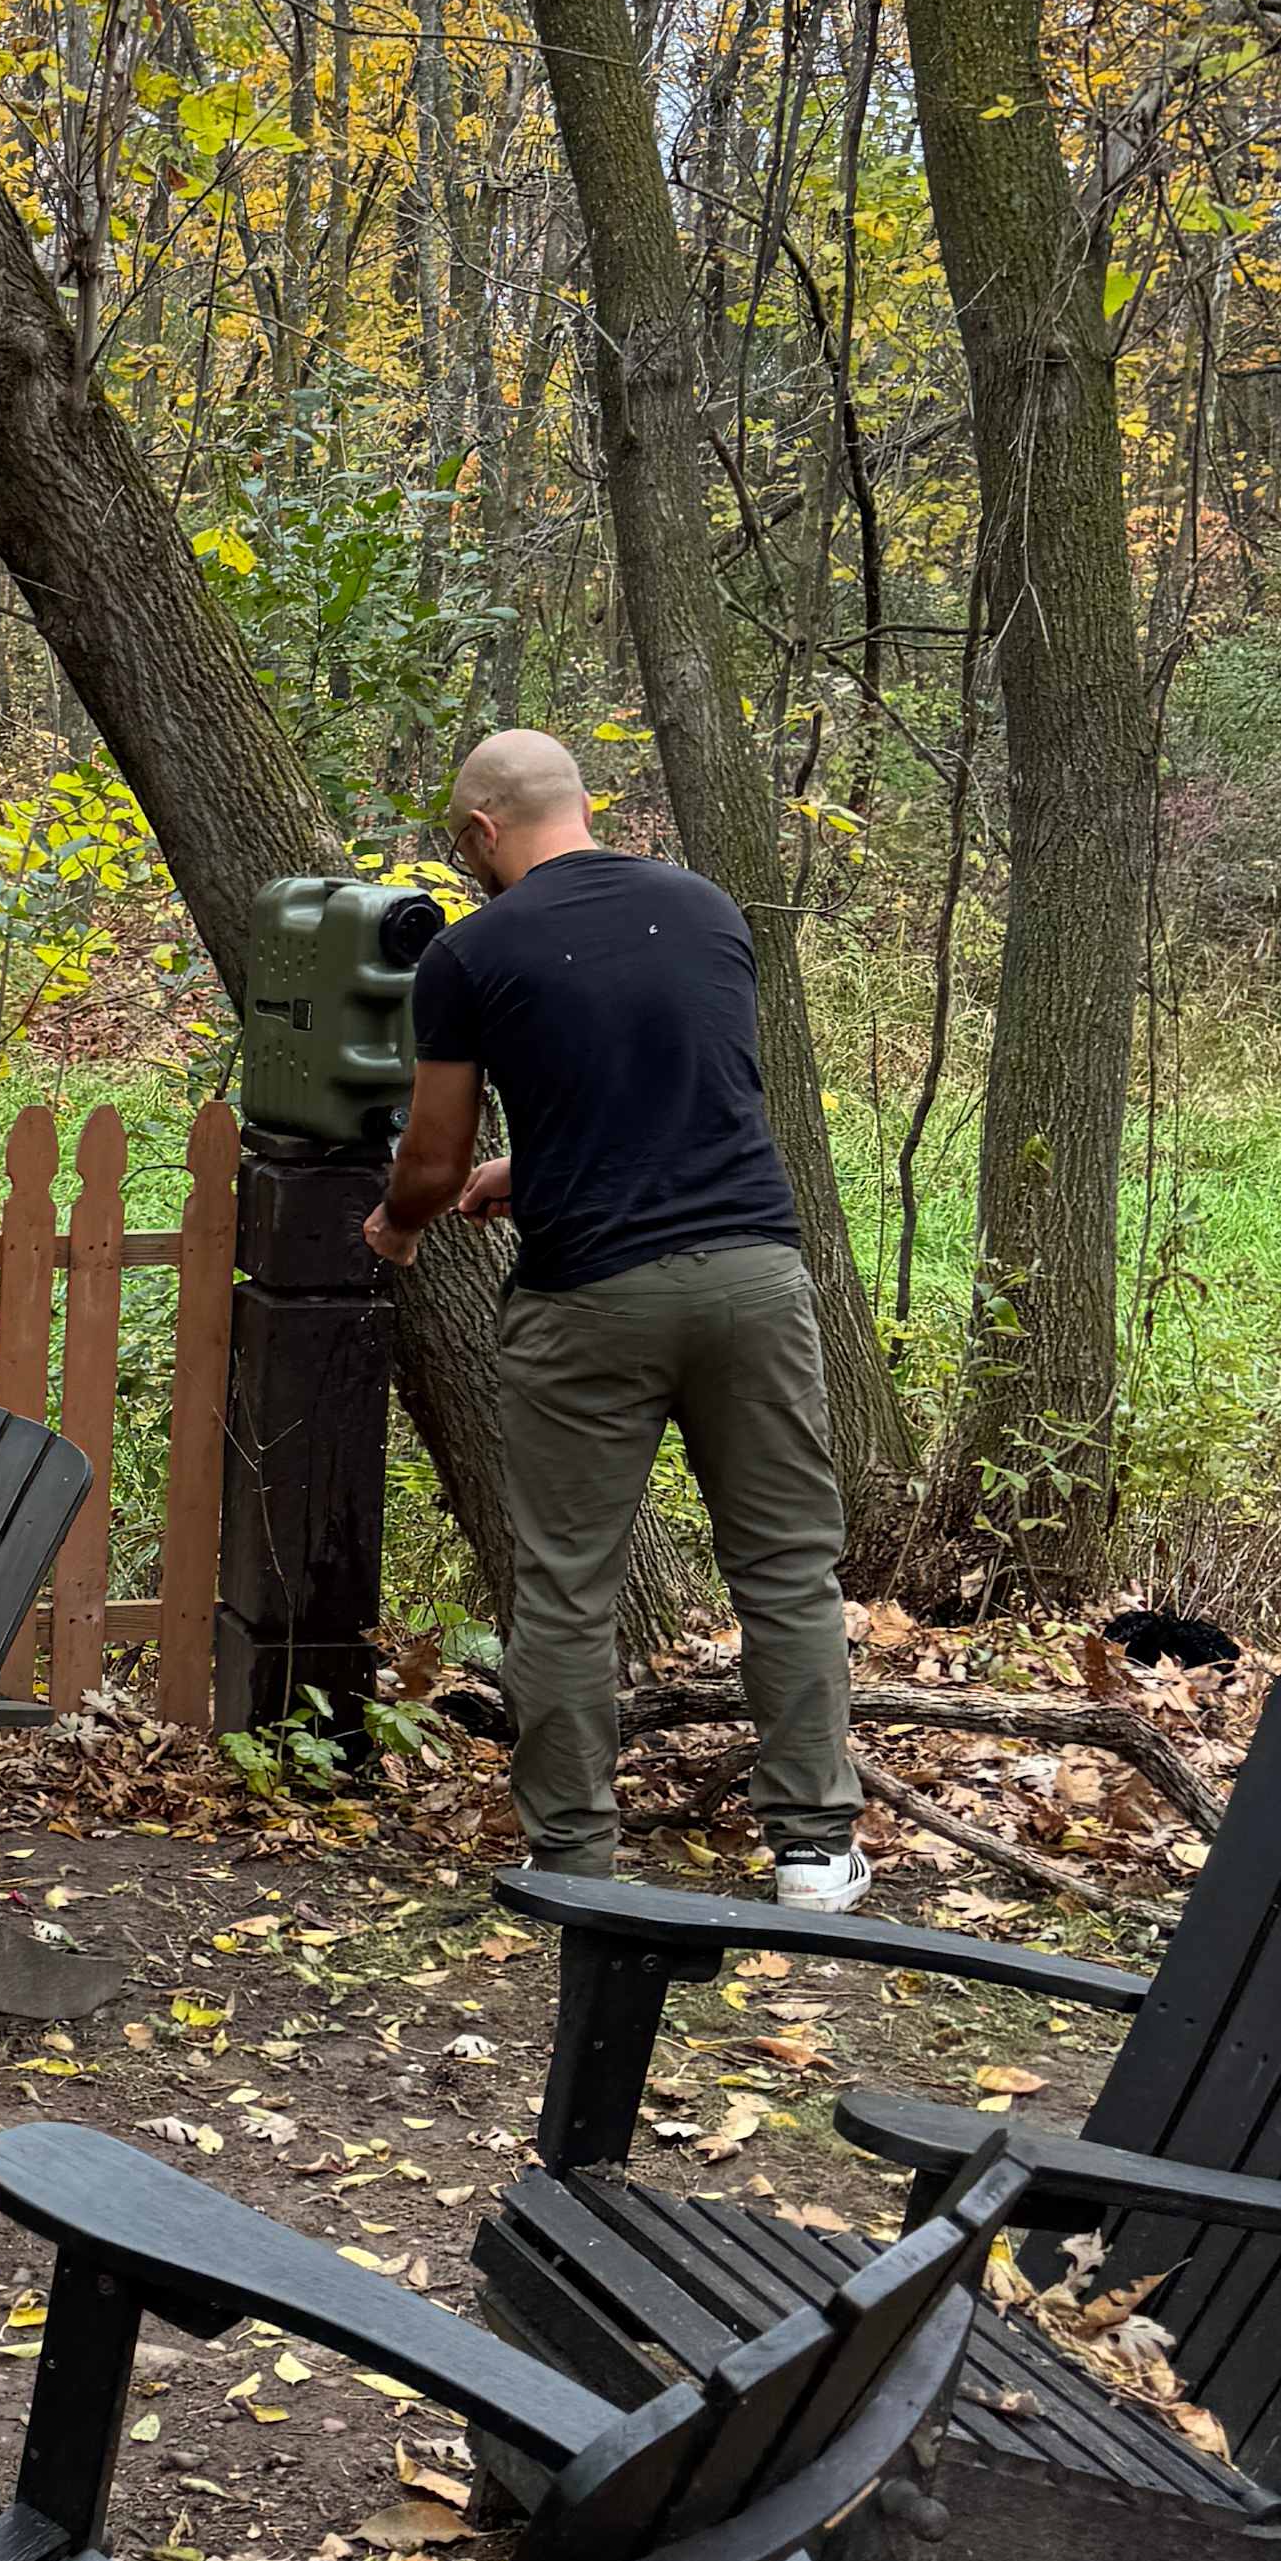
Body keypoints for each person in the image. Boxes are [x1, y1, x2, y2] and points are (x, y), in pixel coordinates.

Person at [363, 727, 867, 1905]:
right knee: (789, 1568)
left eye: (462, 844)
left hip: (590, 1296)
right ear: (584, 804)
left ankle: (575, 1858)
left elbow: (430, 1157)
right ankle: (808, 1849)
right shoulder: (709, 912)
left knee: (566, 1584)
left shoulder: (472, 953)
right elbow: (672, 1105)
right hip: (753, 1277)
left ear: (483, 831)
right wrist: (525, 1171)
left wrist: (402, 1223)